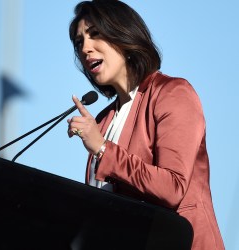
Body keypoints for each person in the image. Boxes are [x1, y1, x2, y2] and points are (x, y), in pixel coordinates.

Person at [66, 1, 225, 249]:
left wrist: (103, 149)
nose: (85, 48)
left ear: (123, 35)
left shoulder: (173, 93)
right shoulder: (104, 120)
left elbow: (173, 187)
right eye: (79, 43)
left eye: (95, 34)